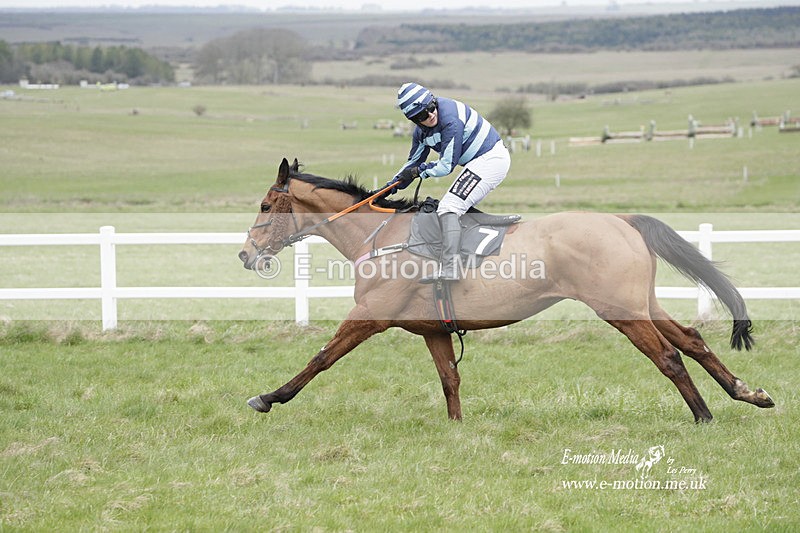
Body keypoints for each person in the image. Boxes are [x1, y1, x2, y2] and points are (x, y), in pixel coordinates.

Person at [387, 82, 511, 282]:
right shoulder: (420, 133)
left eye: (431, 106)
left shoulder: (450, 119)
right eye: (422, 115)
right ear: (414, 120)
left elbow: (446, 166)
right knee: (452, 204)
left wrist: (419, 171)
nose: (431, 115)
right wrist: (390, 186)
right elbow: (412, 162)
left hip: (490, 159)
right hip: (478, 162)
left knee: (449, 206)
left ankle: (451, 268)